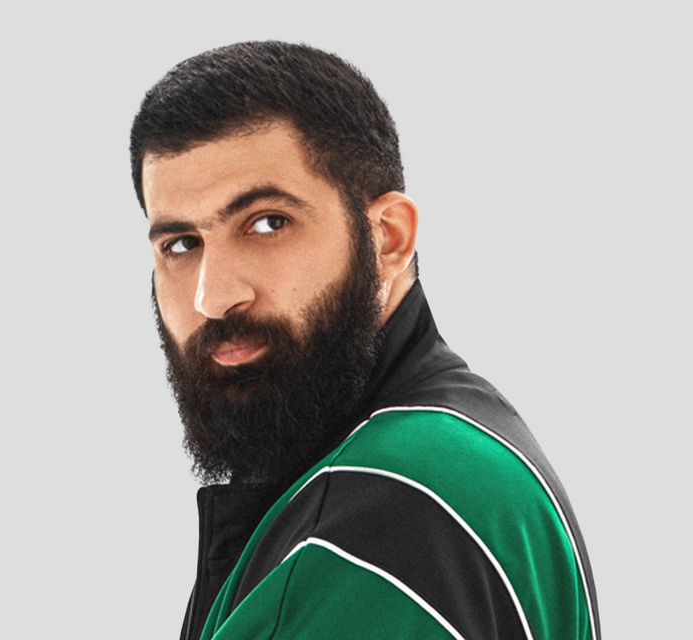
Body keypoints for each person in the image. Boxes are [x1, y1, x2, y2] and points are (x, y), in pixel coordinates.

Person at [130, 41, 600, 640]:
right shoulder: (457, 442)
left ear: (388, 238)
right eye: (181, 244)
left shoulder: (378, 518)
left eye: (268, 223)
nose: (212, 297)